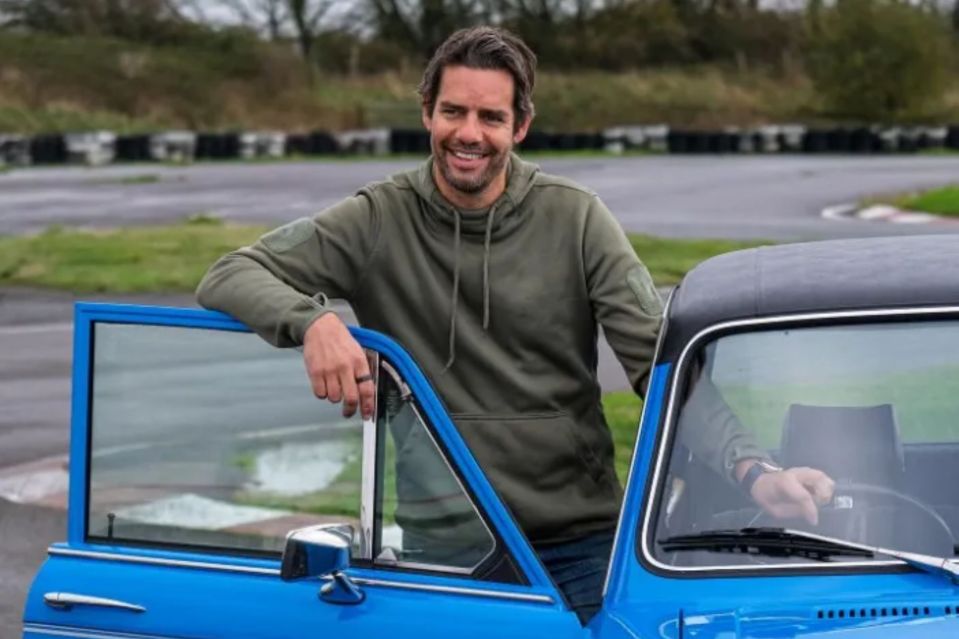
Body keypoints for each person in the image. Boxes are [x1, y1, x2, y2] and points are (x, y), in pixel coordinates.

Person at [197, 26, 832, 623]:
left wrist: (754, 469)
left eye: (490, 117)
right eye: (453, 111)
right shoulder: (376, 219)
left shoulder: (577, 219)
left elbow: (659, 363)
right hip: (444, 547)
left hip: (578, 544)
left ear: (520, 125)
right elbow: (229, 273)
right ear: (427, 112)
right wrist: (314, 323)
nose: (467, 133)